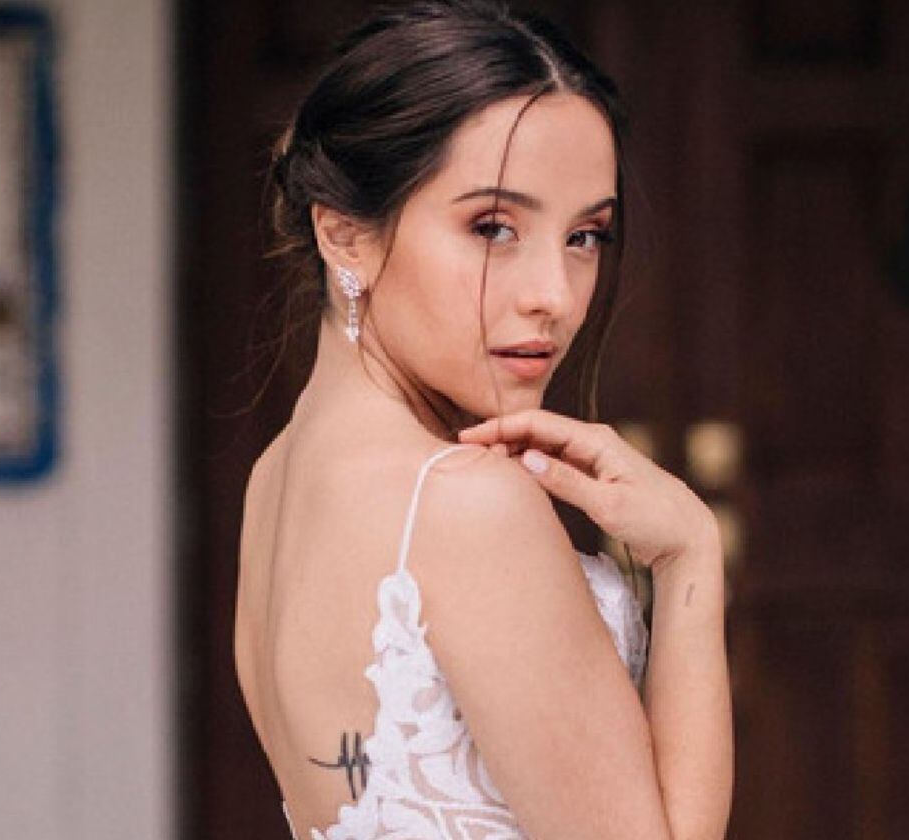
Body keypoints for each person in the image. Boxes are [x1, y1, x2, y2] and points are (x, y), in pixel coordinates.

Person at [234, 2, 733, 837]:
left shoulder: (274, 480)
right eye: (494, 227)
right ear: (345, 235)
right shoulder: (468, 504)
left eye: (585, 236)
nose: (554, 295)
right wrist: (690, 555)